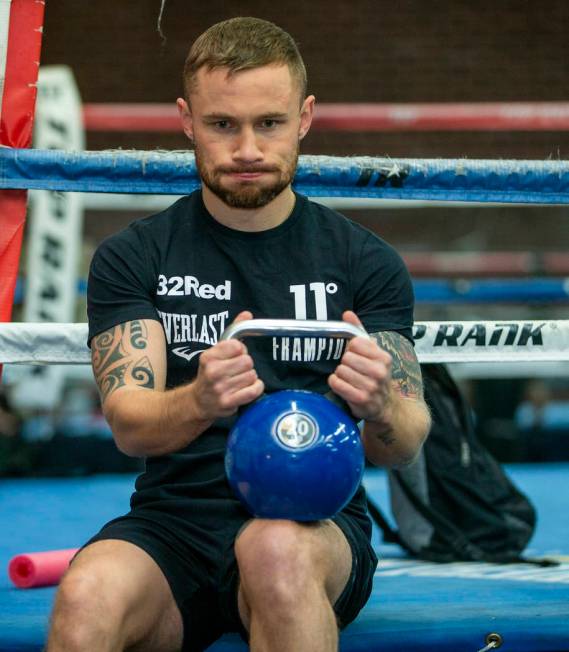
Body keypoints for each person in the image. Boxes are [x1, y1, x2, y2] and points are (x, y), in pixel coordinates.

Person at [47, 16, 431, 652]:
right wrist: (200, 398)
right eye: (223, 123)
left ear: (304, 118)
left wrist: (381, 403)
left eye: (270, 123)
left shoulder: (365, 262)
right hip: (175, 525)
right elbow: (128, 424)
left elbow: (406, 441)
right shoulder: (134, 257)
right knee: (86, 595)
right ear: (187, 119)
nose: (247, 147)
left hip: (314, 525)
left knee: (273, 548)